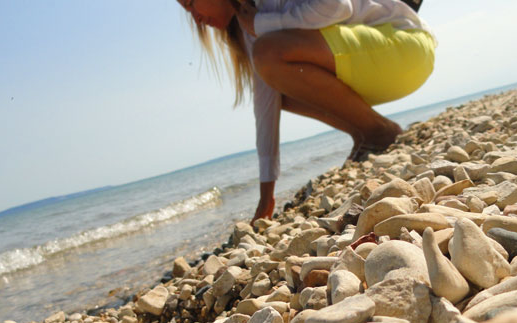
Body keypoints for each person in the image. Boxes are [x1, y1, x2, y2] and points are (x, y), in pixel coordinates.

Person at [177, 0, 436, 221]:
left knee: (269, 53)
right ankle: (365, 133)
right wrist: (266, 196)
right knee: (274, 82)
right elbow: (265, 104)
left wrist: (260, 24)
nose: (195, 18)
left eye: (191, 3)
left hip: (405, 47)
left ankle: (378, 131)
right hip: (374, 66)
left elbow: (337, 7)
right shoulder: (248, 20)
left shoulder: (255, 19)